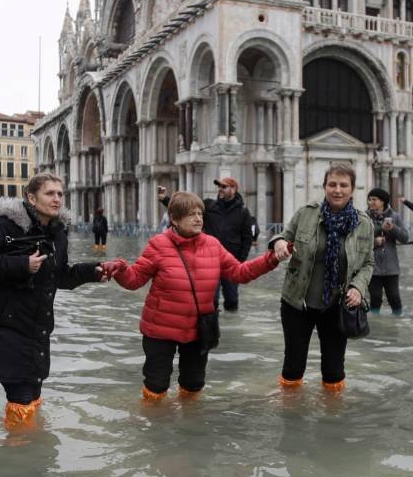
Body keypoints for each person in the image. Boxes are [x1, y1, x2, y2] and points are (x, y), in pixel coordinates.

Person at [0, 173, 120, 430]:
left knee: (33, 397)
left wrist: (93, 272)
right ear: (31, 198)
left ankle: (30, 449)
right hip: (8, 328)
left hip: (38, 330)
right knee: (21, 399)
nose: (57, 199)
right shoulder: (7, 227)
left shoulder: (58, 232)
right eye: (50, 193)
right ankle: (20, 448)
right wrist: (23, 265)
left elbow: (60, 276)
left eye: (60, 194)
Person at [110, 191, 286, 400]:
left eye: (200, 214)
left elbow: (240, 273)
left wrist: (271, 258)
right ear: (175, 219)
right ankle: (153, 419)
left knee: (193, 385)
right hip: (160, 330)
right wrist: (120, 270)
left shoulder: (213, 245)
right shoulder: (158, 244)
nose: (198, 219)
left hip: (198, 330)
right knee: (156, 386)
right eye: (191, 214)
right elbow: (135, 279)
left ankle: (188, 419)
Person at [269, 164, 375, 392]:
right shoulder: (306, 213)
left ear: (352, 189)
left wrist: (358, 287)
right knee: (293, 366)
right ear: (325, 186)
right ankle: (291, 409)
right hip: (297, 302)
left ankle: (332, 411)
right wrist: (278, 243)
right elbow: (282, 236)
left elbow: (368, 263)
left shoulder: (364, 224)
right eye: (332, 184)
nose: (337, 190)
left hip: (336, 306)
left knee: (334, 371)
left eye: (343, 185)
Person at [158, 177, 256, 312]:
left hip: (231, 263)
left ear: (233, 189)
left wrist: (240, 261)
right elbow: (186, 209)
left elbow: (247, 238)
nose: (220, 189)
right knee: (210, 300)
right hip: (209, 262)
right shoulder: (209, 206)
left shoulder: (243, 212)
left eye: (224, 187)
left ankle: (231, 322)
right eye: (219, 186)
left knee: (232, 300)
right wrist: (165, 199)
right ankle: (212, 323)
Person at [366, 188, 408, 315]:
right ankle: (375, 324)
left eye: (374, 199)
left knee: (394, 298)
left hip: (391, 267)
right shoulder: (364, 217)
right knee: (375, 298)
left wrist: (393, 228)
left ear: (382, 201)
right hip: (371, 266)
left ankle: (397, 323)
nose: (370, 202)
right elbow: (358, 241)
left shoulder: (395, 216)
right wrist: (375, 241)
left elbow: (405, 238)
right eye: (369, 199)